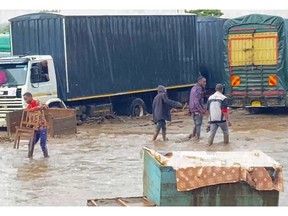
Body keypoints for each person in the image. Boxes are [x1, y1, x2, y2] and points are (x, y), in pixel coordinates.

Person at [23, 92, 49, 158]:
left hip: (42, 127)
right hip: (35, 128)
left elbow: (46, 106)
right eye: (24, 99)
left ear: (30, 97)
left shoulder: (37, 102)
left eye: (26, 99)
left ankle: (46, 157)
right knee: (30, 144)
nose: (25, 101)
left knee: (42, 144)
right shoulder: (29, 106)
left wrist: (37, 108)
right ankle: (30, 157)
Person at [188, 76, 207, 141]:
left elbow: (190, 100)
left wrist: (190, 110)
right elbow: (196, 101)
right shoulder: (199, 89)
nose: (205, 83)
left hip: (192, 110)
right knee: (198, 124)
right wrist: (202, 110)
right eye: (204, 82)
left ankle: (193, 135)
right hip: (197, 110)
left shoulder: (193, 88)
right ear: (200, 81)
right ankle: (197, 139)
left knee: (196, 123)